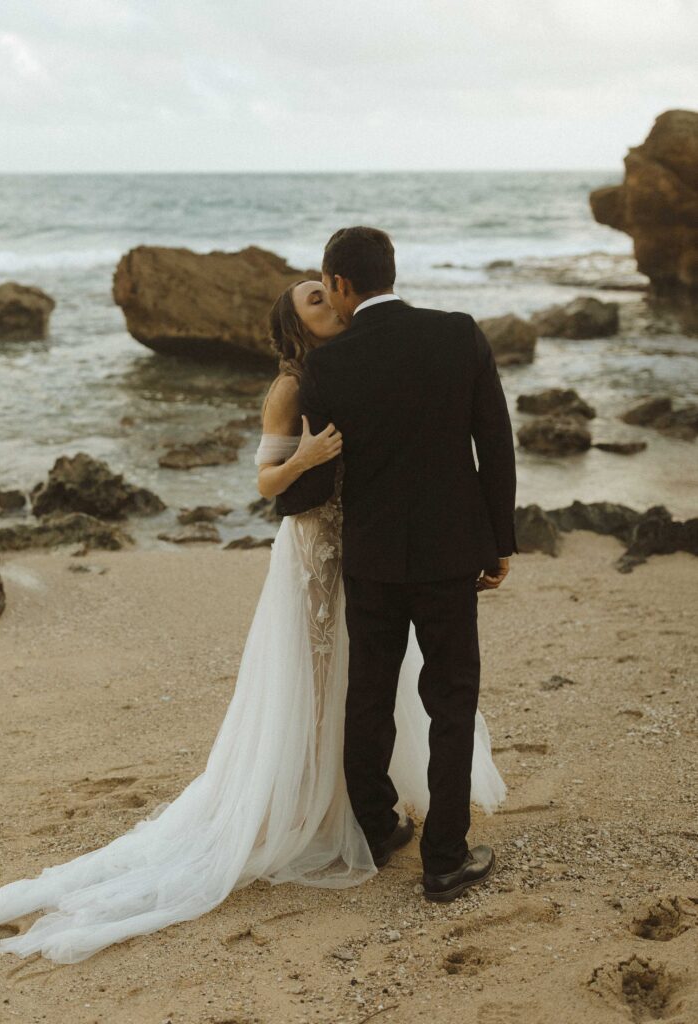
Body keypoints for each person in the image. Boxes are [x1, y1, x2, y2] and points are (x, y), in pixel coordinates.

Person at [0, 266, 508, 966]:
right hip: (318, 548)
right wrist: (306, 457)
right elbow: (265, 483)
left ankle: (367, 813)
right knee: (325, 685)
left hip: (368, 550)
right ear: (296, 326)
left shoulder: (360, 359)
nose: (328, 300)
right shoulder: (291, 386)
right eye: (313, 300)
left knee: (366, 683)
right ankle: (333, 812)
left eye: (327, 289)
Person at [275, 226, 518, 902]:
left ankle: (378, 829)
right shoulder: (457, 333)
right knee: (450, 697)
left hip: (372, 554)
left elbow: (321, 480)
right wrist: (498, 541)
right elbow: (493, 444)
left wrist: (277, 489)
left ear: (344, 284)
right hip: (448, 552)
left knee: (370, 694)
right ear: (389, 272)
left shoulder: (325, 368)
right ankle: (444, 856)